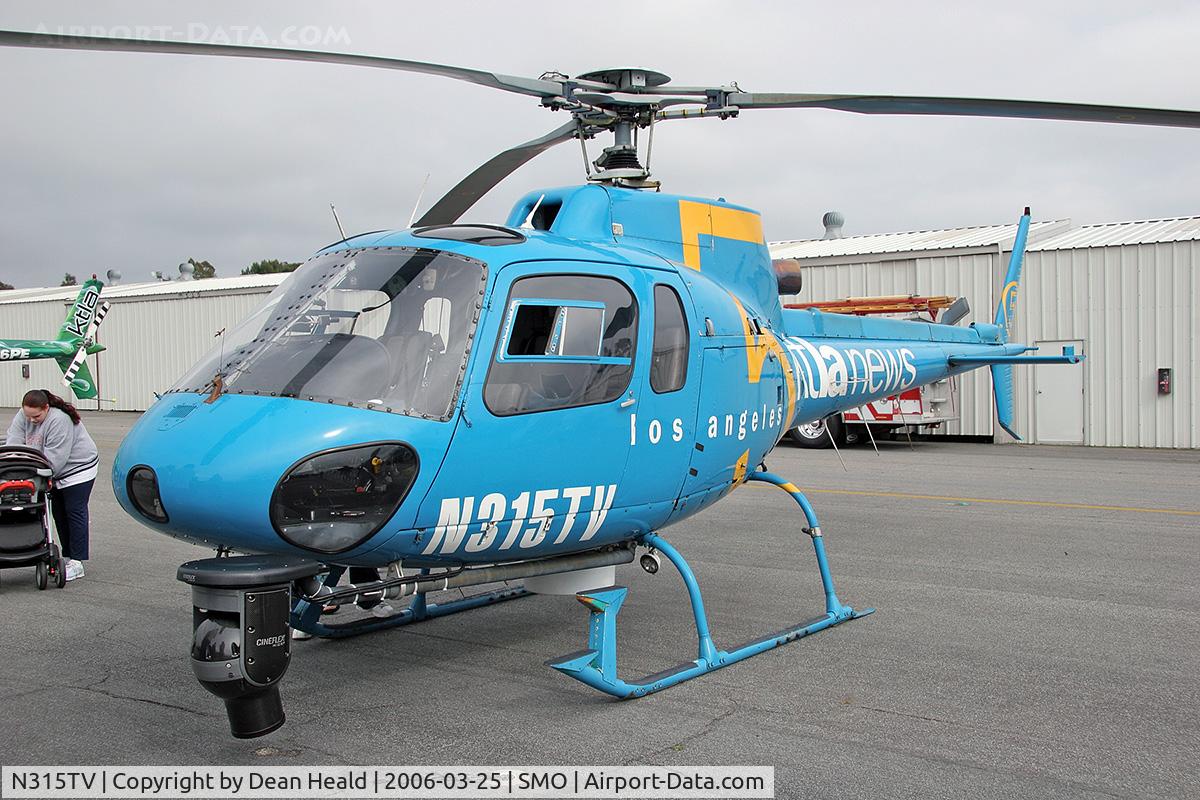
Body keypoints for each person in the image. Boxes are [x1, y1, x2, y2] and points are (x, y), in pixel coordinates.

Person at [5, 389, 98, 581]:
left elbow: (56, 459)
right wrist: (15, 470)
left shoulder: (59, 420)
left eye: (36, 416)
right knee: (57, 512)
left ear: (46, 408)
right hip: (44, 468)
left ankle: (78, 562)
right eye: (28, 416)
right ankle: (67, 556)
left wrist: (32, 478)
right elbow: (14, 442)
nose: (31, 421)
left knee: (74, 510)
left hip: (77, 468)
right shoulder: (25, 415)